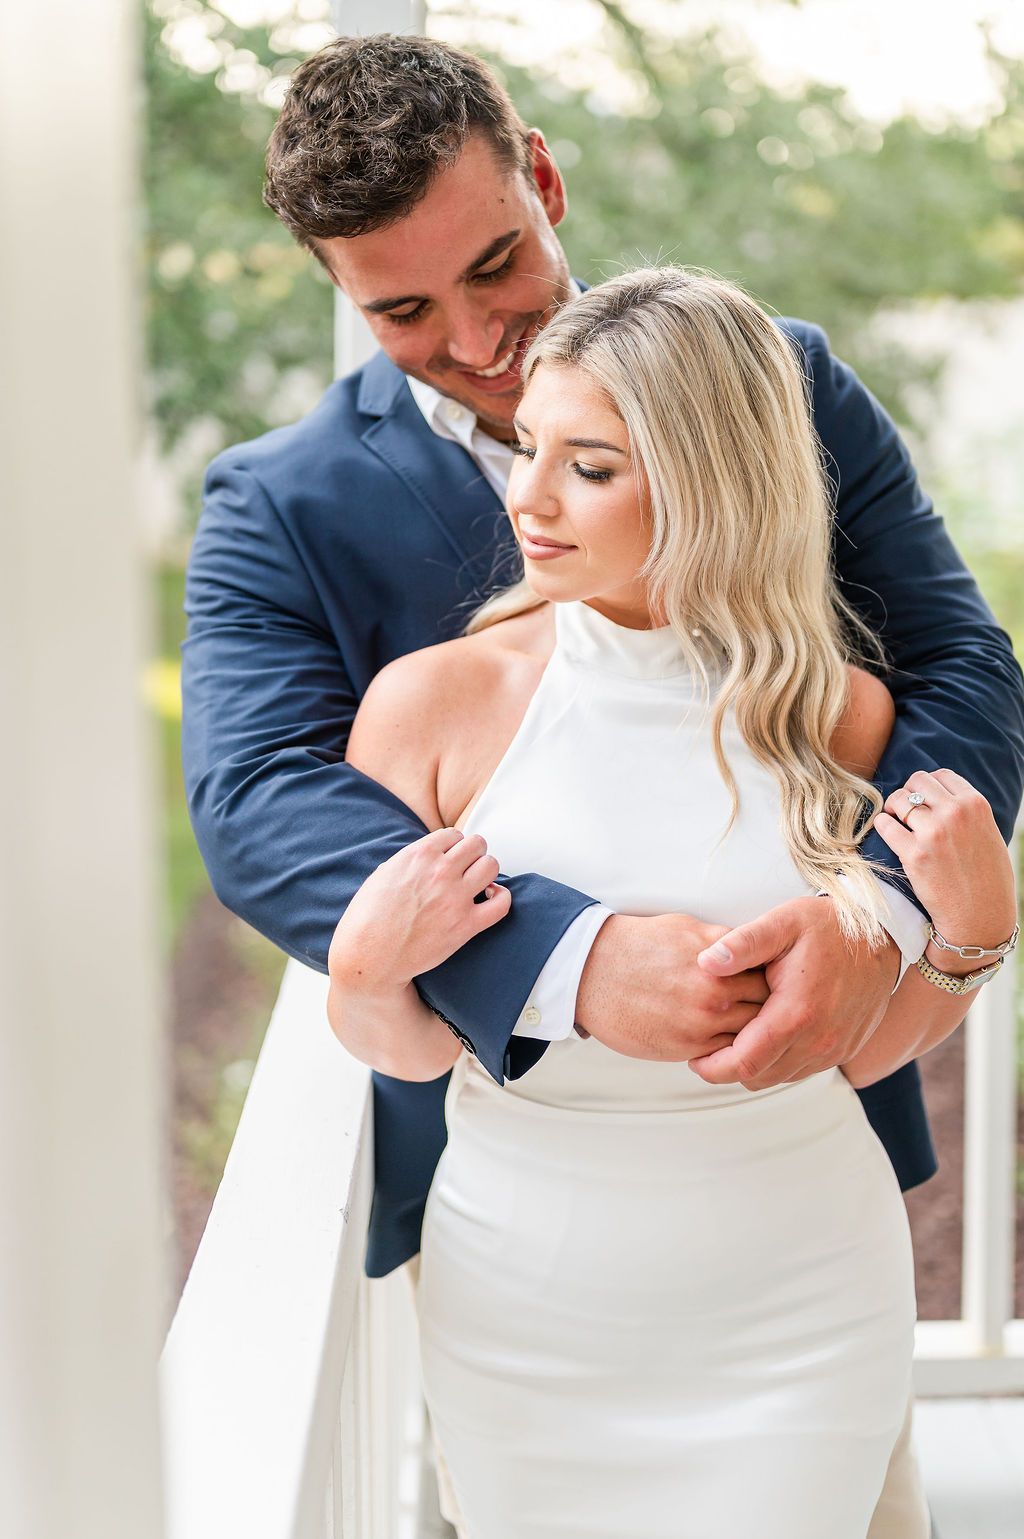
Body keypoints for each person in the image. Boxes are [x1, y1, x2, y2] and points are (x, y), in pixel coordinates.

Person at [180, 33, 1024, 1536]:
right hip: (523, 1222)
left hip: (797, 1208)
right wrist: (561, 957)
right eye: (402, 309)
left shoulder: (778, 379)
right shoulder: (281, 502)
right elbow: (259, 807)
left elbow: (963, 666)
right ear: (338, 291)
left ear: (546, 178)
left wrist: (872, 910)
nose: (481, 337)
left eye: (497, 262)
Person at [326, 265, 1019, 1539]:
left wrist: (969, 939)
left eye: (588, 465)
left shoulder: (843, 718)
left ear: (712, 479)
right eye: (528, 447)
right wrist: (367, 974)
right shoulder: (433, 708)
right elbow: (403, 1052)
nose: (527, 497)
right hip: (526, 1307)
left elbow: (863, 1043)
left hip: (800, 1296)